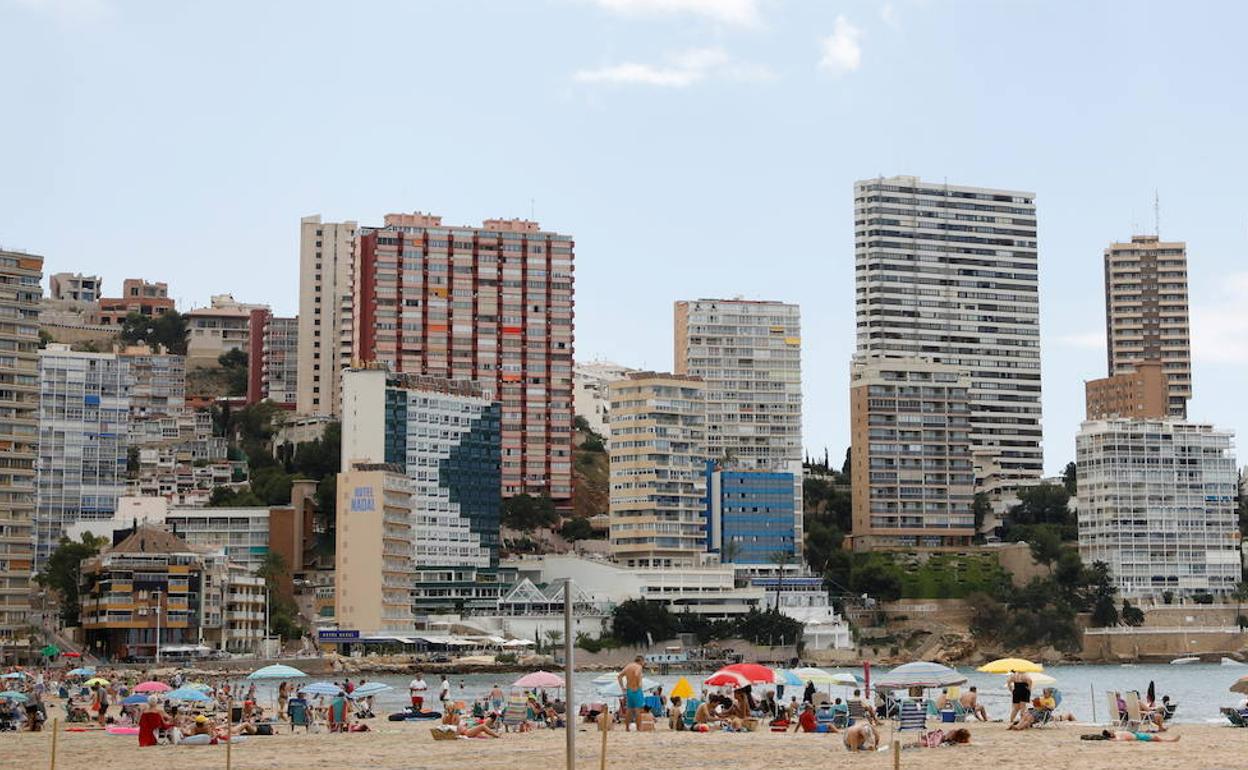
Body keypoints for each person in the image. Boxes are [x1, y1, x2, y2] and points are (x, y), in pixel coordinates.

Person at [617, 655, 646, 732]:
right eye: (643, 662)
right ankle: (638, 728)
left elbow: (619, 676)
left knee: (629, 710)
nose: (644, 664)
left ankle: (627, 728)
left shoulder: (628, 666)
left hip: (629, 690)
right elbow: (636, 674)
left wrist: (622, 687)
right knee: (638, 710)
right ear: (640, 661)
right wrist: (638, 683)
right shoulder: (639, 667)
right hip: (636, 690)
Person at [1101, 729, 1181, 743]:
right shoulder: (1117, 737)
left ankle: (1170, 740)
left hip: (1136, 734)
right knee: (1156, 738)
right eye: (1110, 731)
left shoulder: (1116, 733)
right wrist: (1109, 738)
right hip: (1138, 737)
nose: (1111, 730)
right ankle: (1171, 741)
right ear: (1110, 734)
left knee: (1154, 737)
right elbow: (1116, 740)